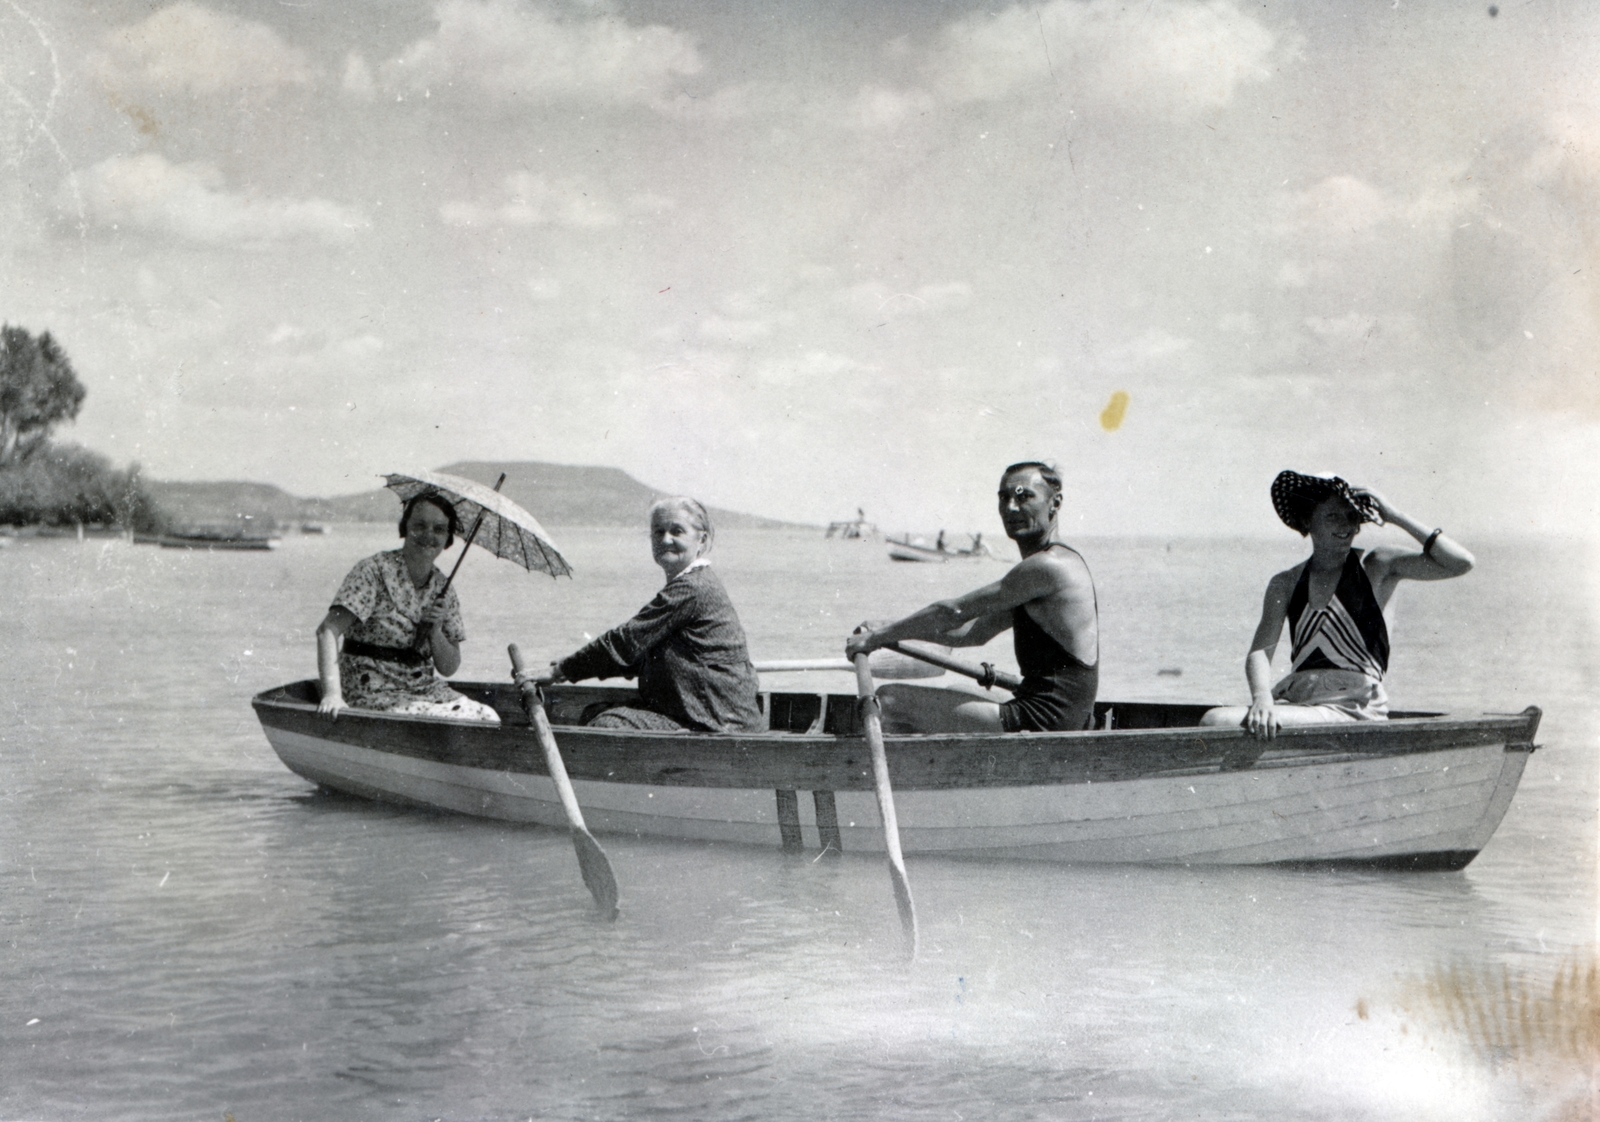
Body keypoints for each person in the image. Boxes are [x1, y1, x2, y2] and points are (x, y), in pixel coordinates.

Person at [1199, 471, 1473, 739]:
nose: (1345, 525)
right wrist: (1261, 699)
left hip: (1353, 709)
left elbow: (1461, 563)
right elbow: (1260, 651)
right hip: (1297, 703)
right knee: (1218, 719)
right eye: (1332, 516)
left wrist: (1395, 516)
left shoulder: (1377, 566)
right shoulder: (1285, 583)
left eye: (1351, 516)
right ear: (1308, 521)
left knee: (1216, 722)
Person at [845, 461, 1099, 733]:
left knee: (889, 700)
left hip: (1045, 720)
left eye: (1024, 496)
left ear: (1055, 503)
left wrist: (875, 638)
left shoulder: (1048, 566)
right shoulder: (1054, 563)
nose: (1011, 507)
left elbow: (953, 612)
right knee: (956, 689)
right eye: (1004, 497)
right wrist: (888, 632)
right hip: (1067, 716)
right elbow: (971, 632)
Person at [526, 498, 763, 733]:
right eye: (658, 531)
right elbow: (636, 654)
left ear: (701, 539)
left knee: (605, 724)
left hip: (716, 722)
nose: (665, 539)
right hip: (704, 713)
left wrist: (561, 671)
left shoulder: (693, 588)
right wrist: (568, 668)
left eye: (677, 531)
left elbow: (626, 641)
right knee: (594, 712)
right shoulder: (691, 584)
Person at [315, 491, 500, 723]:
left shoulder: (444, 589)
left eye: (439, 529)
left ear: (447, 539)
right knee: (453, 721)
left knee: (488, 716)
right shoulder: (373, 571)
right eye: (419, 525)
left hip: (421, 688)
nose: (428, 535)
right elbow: (327, 630)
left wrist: (435, 632)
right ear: (405, 528)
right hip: (370, 688)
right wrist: (332, 695)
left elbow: (449, 667)